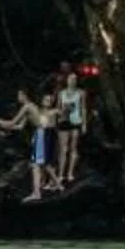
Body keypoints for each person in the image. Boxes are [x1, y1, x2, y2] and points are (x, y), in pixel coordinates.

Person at [9, 86, 55, 201]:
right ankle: (45, 187)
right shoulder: (34, 107)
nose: (18, 97)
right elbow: (19, 126)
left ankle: (37, 192)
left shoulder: (29, 106)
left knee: (36, 164)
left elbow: (12, 122)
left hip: (42, 134)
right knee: (40, 164)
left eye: (19, 95)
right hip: (41, 134)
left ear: (24, 96)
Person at [53, 64, 91, 192]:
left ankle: (70, 173)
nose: (72, 81)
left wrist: (84, 124)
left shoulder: (81, 93)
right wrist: (58, 117)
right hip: (64, 121)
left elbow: (83, 108)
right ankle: (61, 174)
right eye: (70, 79)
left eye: (75, 79)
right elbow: (58, 108)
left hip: (75, 121)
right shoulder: (61, 93)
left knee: (73, 147)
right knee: (63, 148)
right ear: (67, 80)